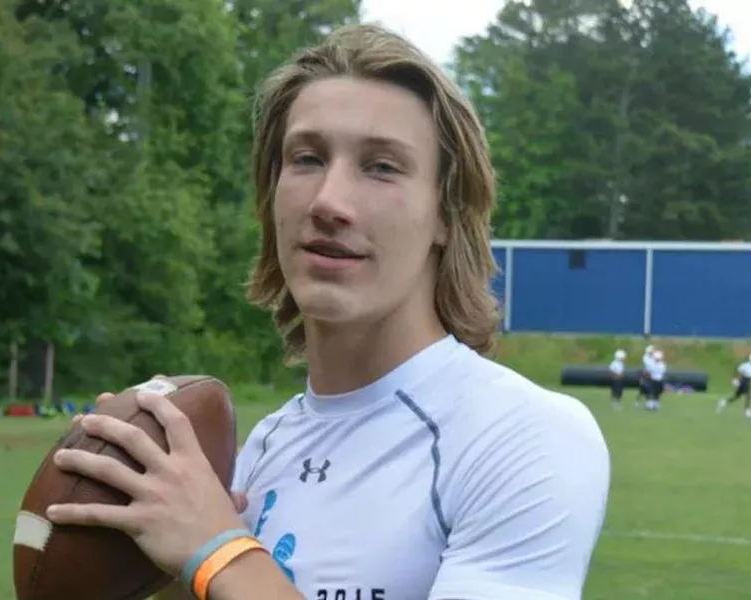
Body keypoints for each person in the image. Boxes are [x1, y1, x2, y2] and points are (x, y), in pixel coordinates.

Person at [45, 23, 611, 600]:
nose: (329, 202)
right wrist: (148, 557)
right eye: (307, 158)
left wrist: (217, 551)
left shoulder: (522, 436)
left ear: (445, 214)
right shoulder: (258, 451)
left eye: (382, 166)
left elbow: (224, 561)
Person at [716, 353, 751, 418]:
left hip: (746, 381)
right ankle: (747, 411)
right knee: (748, 395)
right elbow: (737, 372)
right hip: (743, 381)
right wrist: (735, 381)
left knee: (736, 397)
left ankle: (723, 403)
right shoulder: (744, 366)